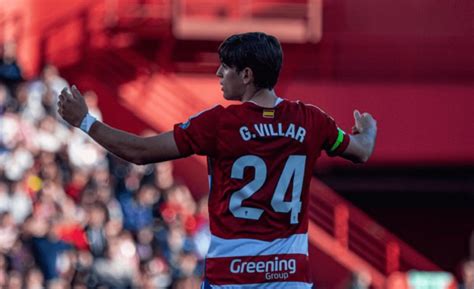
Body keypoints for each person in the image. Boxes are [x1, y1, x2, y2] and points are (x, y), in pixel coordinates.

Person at [58, 32, 377, 289]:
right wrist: (368, 130)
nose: (218, 73)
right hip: (289, 278)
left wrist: (85, 121)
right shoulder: (311, 121)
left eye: (225, 67)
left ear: (247, 75)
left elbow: (140, 152)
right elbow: (359, 150)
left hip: (231, 278)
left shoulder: (219, 124)